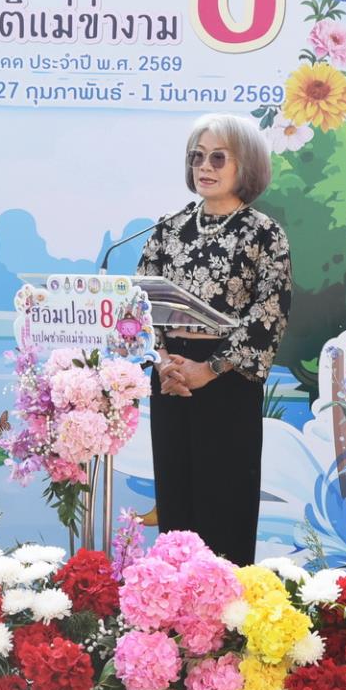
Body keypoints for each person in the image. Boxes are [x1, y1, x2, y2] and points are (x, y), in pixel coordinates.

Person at [137, 113, 292, 565]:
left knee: (225, 501)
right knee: (176, 499)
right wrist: (162, 360)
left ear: (246, 164)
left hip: (228, 378)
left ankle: (226, 604)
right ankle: (173, 597)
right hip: (170, 376)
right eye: (197, 157)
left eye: (218, 158)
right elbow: (140, 303)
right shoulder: (167, 229)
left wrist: (210, 368)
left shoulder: (264, 233)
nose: (205, 166)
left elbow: (270, 312)